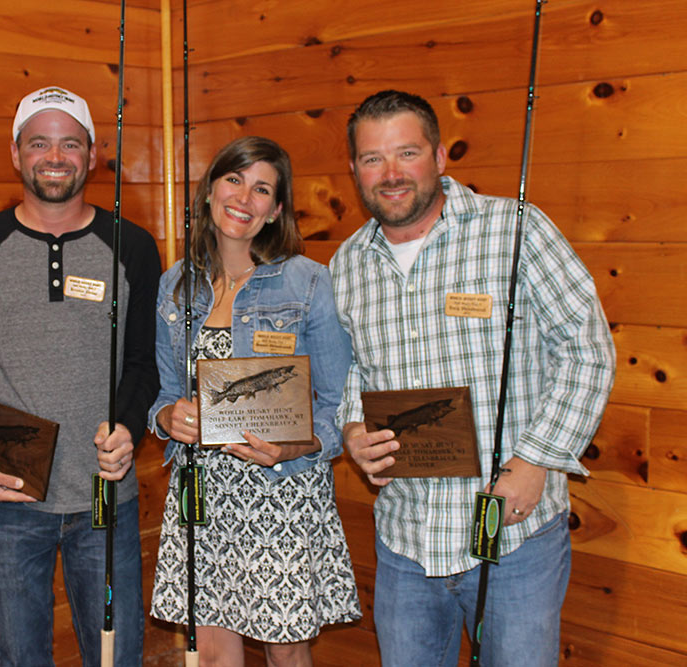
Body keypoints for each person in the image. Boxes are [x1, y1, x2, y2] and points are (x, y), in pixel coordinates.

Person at [331, 90, 616, 666]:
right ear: (355, 170)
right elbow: (350, 371)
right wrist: (353, 429)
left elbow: (588, 350)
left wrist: (536, 461)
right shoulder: (347, 264)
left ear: (439, 157)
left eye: (407, 153)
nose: (390, 173)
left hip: (512, 534)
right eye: (372, 158)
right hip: (406, 540)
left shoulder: (516, 230)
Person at [0, 85, 161, 666]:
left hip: (103, 495)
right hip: (8, 497)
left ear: (93, 155)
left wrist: (128, 425)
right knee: (22, 657)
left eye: (70, 144)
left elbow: (143, 362)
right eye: (39, 143)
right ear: (16, 153)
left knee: (117, 656)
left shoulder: (133, 246)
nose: (55, 157)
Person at [149, 136, 361, 666]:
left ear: (276, 210)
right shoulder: (176, 284)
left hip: (280, 491)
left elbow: (338, 402)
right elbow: (166, 394)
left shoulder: (307, 282)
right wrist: (167, 418)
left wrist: (293, 449)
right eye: (234, 179)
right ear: (209, 191)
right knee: (212, 653)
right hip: (202, 490)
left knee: (285, 651)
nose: (244, 198)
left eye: (262, 189)